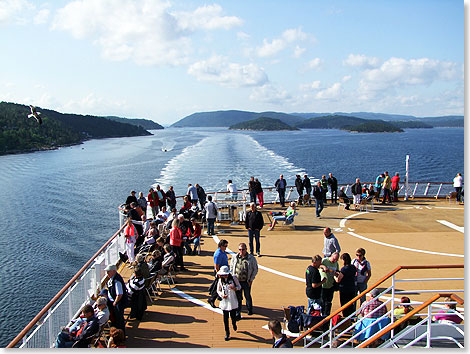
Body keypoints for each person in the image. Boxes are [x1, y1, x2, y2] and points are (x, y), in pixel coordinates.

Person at [231, 242, 258, 317]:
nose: (241, 251)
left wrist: (251, 279)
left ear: (246, 249)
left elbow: (255, 269)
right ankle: (238, 312)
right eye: (240, 249)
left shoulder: (251, 258)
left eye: (243, 249)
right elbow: (232, 267)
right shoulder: (235, 257)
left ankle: (250, 309)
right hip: (237, 281)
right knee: (238, 297)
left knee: (247, 295)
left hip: (246, 281)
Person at [216, 265, 241, 341]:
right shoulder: (220, 280)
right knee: (225, 318)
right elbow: (218, 290)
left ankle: (234, 323)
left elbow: (239, 287)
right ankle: (227, 332)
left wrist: (235, 288)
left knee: (233, 316)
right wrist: (222, 295)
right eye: (223, 275)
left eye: (226, 274)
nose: (224, 276)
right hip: (225, 301)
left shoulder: (234, 278)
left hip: (232, 300)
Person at [104, 264, 127, 332]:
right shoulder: (113, 278)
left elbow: (119, 294)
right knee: (114, 319)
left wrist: (115, 302)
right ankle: (115, 333)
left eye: (109, 271)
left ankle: (120, 335)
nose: (107, 273)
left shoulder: (117, 281)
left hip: (117, 304)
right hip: (113, 302)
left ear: (114, 271)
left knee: (119, 320)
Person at [208, 239, 229, 308]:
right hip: (220, 272)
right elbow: (216, 265)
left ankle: (216, 298)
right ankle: (212, 299)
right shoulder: (218, 254)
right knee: (219, 286)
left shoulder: (222, 252)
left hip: (224, 271)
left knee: (220, 286)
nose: (226, 247)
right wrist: (218, 274)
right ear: (221, 246)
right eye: (225, 246)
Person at [319, 252, 340, 316]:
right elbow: (319, 265)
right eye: (334, 259)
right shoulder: (325, 260)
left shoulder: (336, 263)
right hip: (323, 285)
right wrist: (324, 267)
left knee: (329, 302)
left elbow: (338, 271)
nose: (335, 261)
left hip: (331, 285)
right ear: (331, 256)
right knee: (322, 301)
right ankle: (321, 314)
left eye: (336, 260)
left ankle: (327, 315)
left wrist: (336, 273)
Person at [336, 253, 357, 318]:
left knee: (345, 306)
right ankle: (352, 318)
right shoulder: (353, 267)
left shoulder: (344, 269)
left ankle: (346, 319)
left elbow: (338, 280)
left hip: (344, 290)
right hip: (352, 288)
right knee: (351, 305)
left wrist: (335, 276)